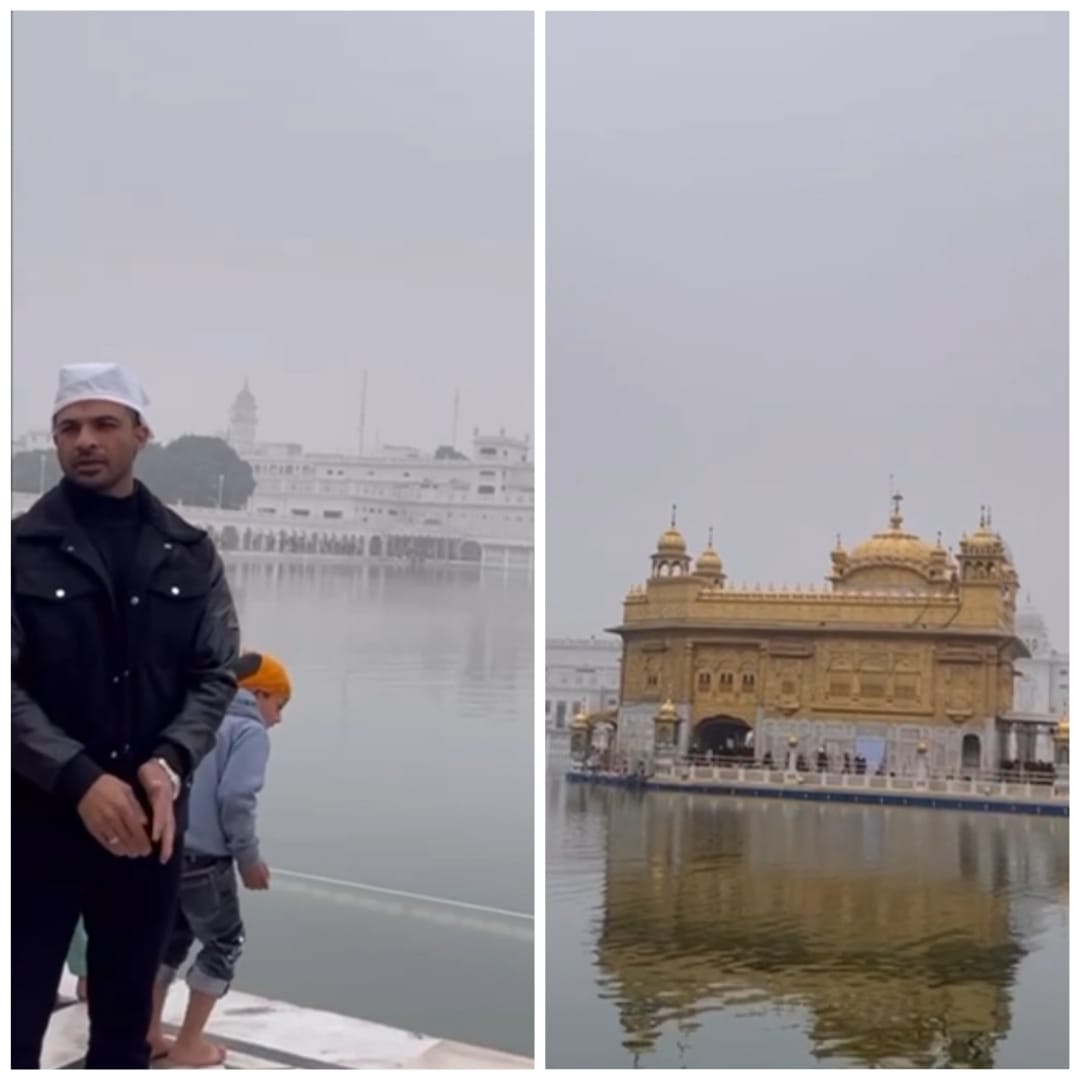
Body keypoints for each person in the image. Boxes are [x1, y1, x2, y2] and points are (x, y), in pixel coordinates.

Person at [12, 363, 240, 1069]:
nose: (85, 440)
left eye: (104, 424)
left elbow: (215, 674)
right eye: (69, 427)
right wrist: (78, 776)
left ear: (141, 434)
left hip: (148, 826)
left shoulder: (191, 554)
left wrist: (170, 761)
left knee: (123, 1029)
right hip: (34, 823)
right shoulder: (16, 552)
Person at [148, 651, 290, 1067]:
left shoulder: (194, 718)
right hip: (207, 863)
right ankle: (190, 1042)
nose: (278, 719)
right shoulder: (248, 732)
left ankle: (149, 1031)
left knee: (169, 941)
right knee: (226, 942)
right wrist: (249, 858)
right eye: (279, 705)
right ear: (258, 694)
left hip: (169, 850)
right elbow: (235, 799)